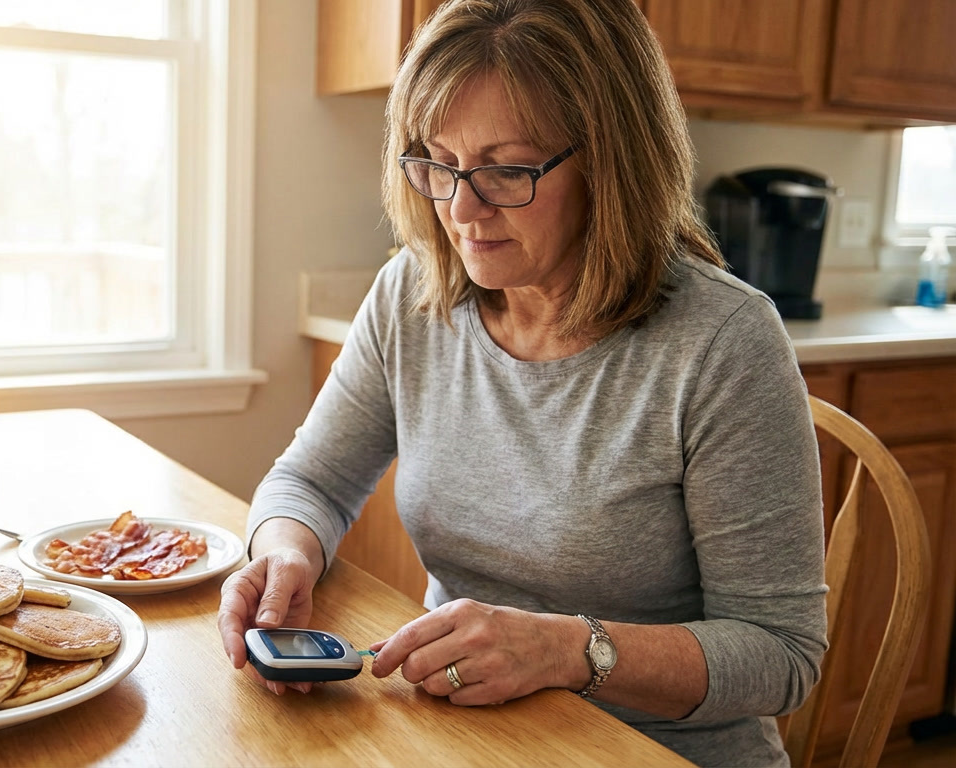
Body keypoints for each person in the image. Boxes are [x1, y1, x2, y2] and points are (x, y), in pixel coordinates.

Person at [216, 1, 828, 766]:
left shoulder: (723, 343)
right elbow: (312, 479)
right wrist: (285, 555)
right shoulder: (413, 295)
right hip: (464, 734)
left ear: (612, 160)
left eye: (505, 169)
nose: (461, 211)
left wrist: (569, 650)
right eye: (437, 162)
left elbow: (782, 656)